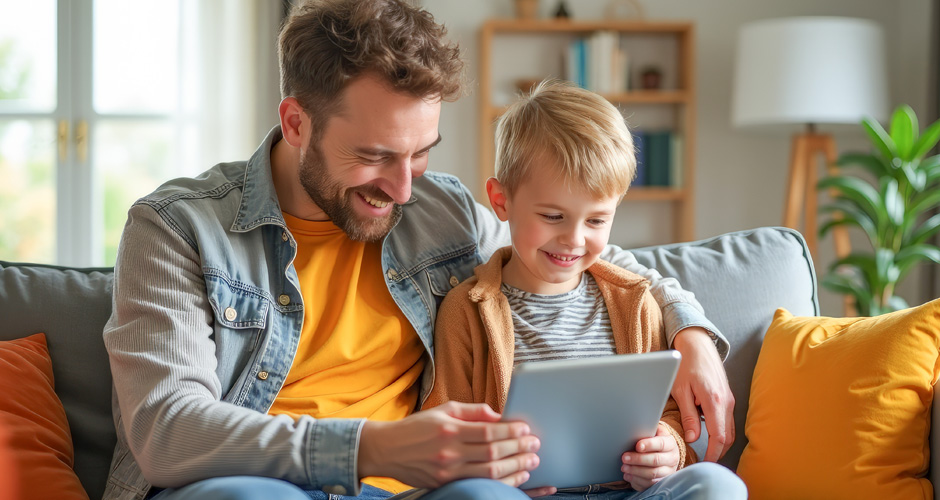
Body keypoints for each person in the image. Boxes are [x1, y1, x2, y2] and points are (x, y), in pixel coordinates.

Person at [101, 1, 733, 499]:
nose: (404, 188)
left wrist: (691, 334)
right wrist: (377, 448)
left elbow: (578, 250)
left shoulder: (443, 209)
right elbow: (167, 429)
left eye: (421, 152)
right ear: (297, 123)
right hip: (253, 485)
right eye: (374, 155)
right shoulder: (177, 228)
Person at [423, 80, 746, 499]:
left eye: (596, 220)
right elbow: (445, 425)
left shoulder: (635, 303)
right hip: (521, 495)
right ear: (501, 201)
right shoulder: (466, 310)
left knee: (717, 484)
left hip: (627, 493)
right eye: (553, 215)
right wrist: (488, 473)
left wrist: (668, 448)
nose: (574, 239)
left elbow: (664, 415)